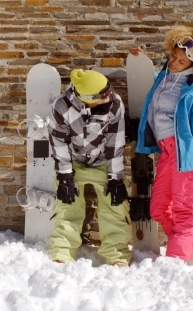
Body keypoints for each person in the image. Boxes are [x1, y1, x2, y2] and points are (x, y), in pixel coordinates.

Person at [130, 25, 193, 265]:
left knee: (182, 211)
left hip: (185, 156)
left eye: (181, 62)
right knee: (158, 208)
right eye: (173, 56)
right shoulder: (164, 76)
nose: (174, 63)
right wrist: (138, 60)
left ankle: (175, 262)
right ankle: (190, 241)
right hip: (167, 153)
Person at [47, 69, 131, 267]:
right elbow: (58, 142)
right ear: (88, 98)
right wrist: (65, 177)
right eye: (104, 94)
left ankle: (116, 254)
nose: (109, 94)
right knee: (67, 205)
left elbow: (115, 143)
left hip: (103, 161)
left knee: (115, 205)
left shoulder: (115, 104)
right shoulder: (61, 106)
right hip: (73, 161)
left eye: (108, 89)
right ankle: (62, 251)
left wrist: (115, 178)